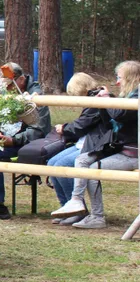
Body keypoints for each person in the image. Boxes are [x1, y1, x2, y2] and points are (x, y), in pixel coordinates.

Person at [52, 61, 139, 229]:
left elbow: (120, 116)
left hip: (133, 154)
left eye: (120, 78)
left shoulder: (136, 97)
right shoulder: (126, 97)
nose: (117, 82)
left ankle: (97, 216)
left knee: (92, 169)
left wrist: (106, 100)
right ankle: (76, 201)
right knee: (83, 160)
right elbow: (109, 124)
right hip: (121, 149)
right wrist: (102, 105)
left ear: (131, 79)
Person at [0, 62, 52, 220]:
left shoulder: (37, 96)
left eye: (9, 85)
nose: (6, 89)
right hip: (5, 140)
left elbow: (39, 130)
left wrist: (13, 140)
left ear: (20, 80)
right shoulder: (8, 93)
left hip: (27, 144)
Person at [46, 73, 103, 225]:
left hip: (95, 145)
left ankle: (78, 209)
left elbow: (81, 125)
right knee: (51, 163)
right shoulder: (92, 99)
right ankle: (65, 205)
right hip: (83, 142)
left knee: (61, 165)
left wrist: (64, 128)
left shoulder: (97, 100)